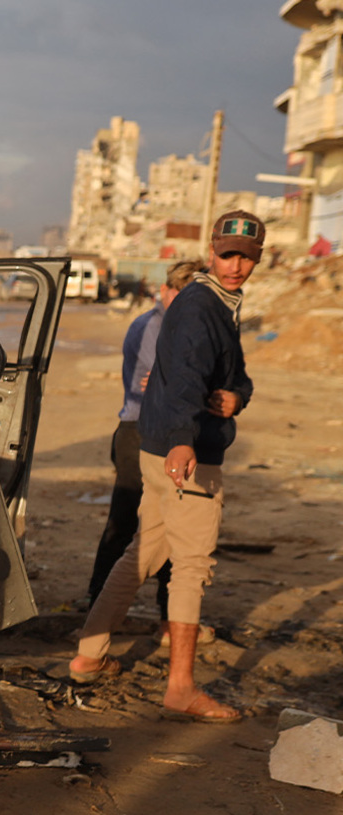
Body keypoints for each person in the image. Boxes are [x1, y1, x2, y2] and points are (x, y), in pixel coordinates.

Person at [68, 210, 261, 720]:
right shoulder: (201, 307)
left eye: (245, 258)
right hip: (184, 451)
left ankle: (88, 655)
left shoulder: (218, 303)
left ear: (257, 259)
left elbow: (235, 374)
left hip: (159, 448)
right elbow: (183, 380)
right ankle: (180, 690)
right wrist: (182, 441)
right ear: (212, 251)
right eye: (227, 255)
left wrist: (238, 397)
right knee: (191, 566)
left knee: (144, 552)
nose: (236, 266)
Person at [85, 259, 202, 611]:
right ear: (166, 291)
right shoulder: (154, 327)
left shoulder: (183, 328)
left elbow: (177, 384)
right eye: (181, 294)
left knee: (170, 525)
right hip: (140, 432)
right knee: (125, 522)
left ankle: (168, 611)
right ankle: (98, 604)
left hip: (166, 432)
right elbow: (160, 386)